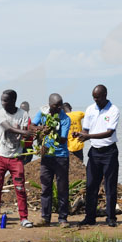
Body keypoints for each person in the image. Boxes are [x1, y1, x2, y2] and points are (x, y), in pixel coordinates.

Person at [0, 89, 33, 228]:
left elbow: (24, 135)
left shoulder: (23, 114)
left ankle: (24, 218)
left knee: (20, 188)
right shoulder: (0, 113)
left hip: (16, 157)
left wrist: (31, 132)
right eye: (2, 100)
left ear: (13, 101)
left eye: (5, 100)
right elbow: (7, 128)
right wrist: (26, 131)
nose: (3, 103)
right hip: (0, 156)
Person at [74, 85, 120, 227]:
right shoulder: (90, 109)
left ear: (105, 95)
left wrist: (88, 136)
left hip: (109, 152)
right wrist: (80, 135)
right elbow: (86, 129)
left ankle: (111, 217)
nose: (95, 99)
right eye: (94, 97)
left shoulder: (113, 110)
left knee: (110, 186)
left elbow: (109, 133)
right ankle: (90, 217)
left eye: (98, 97)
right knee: (91, 185)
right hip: (94, 152)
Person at [32, 94, 72, 226]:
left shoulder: (65, 118)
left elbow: (62, 140)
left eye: (61, 104)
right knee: (45, 188)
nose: (60, 107)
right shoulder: (42, 113)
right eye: (56, 105)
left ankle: (62, 218)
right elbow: (32, 126)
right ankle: (45, 218)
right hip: (46, 156)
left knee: (62, 188)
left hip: (61, 157)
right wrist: (39, 130)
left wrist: (50, 130)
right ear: (49, 104)